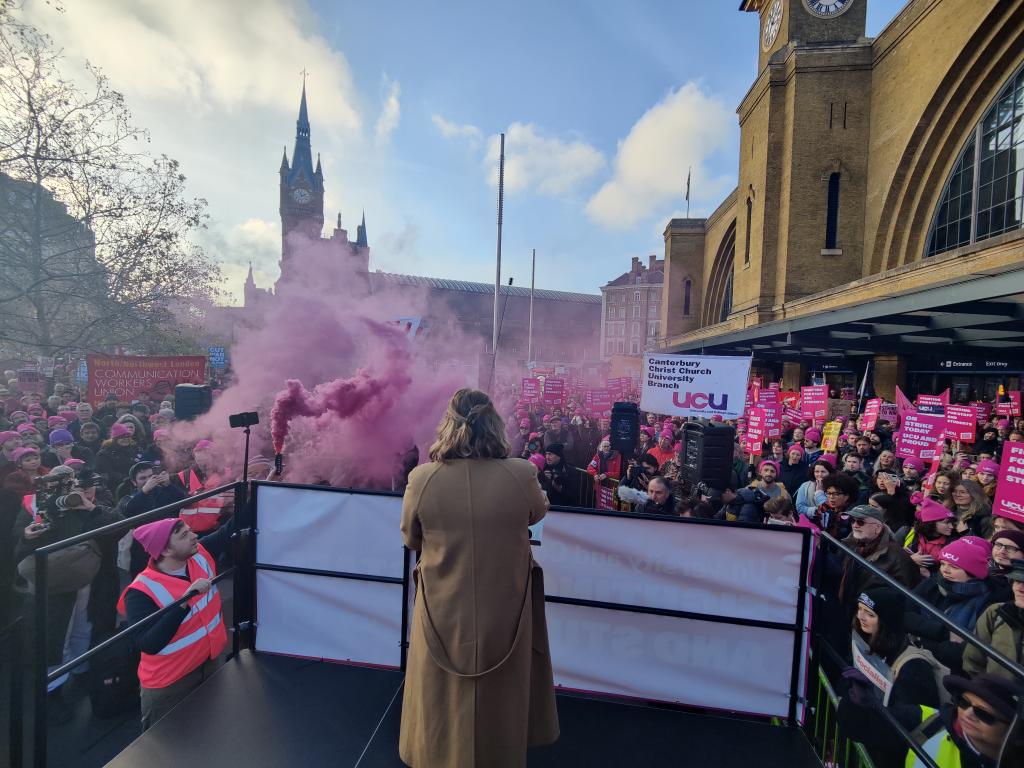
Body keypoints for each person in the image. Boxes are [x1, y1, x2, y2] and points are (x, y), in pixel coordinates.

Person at [399, 388, 558, 767]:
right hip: (505, 607)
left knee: (440, 692)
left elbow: (410, 538)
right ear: (496, 424)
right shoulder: (522, 473)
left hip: (442, 606)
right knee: (502, 693)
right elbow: (538, 512)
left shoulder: (421, 479)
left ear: (448, 425)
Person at [118, 516, 233, 730]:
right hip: (171, 684)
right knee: (165, 749)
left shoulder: (199, 555)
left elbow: (230, 529)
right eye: (184, 535)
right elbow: (148, 643)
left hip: (209, 664)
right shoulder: (139, 593)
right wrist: (184, 601)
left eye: (190, 531)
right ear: (165, 551)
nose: (194, 536)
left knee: (210, 731)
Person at [838, 587, 942, 767]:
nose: (861, 616)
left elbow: (906, 724)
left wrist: (867, 703)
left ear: (886, 621)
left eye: (869, 614)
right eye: (860, 609)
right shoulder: (866, 641)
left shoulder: (913, 666)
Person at [905, 537, 997, 671]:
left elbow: (964, 650)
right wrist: (943, 633)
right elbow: (904, 614)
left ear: (973, 572)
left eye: (953, 567)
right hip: (914, 654)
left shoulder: (986, 601)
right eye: (943, 564)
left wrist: (921, 632)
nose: (945, 571)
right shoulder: (932, 583)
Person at [907, 673, 1022, 767]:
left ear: (1013, 729)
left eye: (983, 714)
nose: (967, 714)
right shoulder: (929, 723)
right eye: (963, 702)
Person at [837, 504, 921, 614]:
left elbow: (905, 596)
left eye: (860, 522)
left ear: (877, 528)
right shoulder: (849, 545)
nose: (855, 526)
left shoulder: (898, 557)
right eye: (853, 521)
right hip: (849, 611)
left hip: (874, 618)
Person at [963, 558, 1024, 679]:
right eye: (1017, 581)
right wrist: (983, 688)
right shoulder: (996, 612)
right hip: (991, 693)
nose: (1019, 589)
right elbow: (973, 659)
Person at [176, 440, 231, 533]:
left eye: (205, 460)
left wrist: (222, 524)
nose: (202, 464)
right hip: (189, 531)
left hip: (217, 529)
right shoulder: (183, 476)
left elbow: (230, 503)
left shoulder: (227, 474)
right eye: (199, 460)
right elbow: (176, 500)